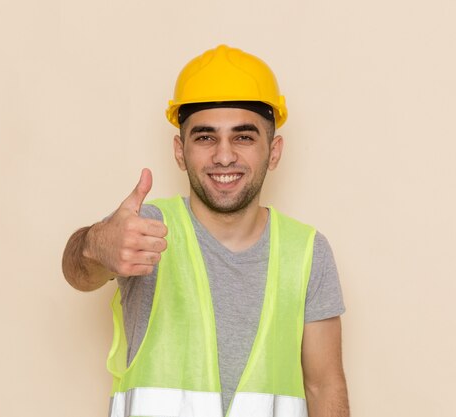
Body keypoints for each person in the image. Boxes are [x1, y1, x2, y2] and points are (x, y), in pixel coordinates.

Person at [62, 44, 349, 417]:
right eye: (205, 137)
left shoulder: (308, 251)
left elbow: (324, 385)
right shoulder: (145, 229)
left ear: (274, 151)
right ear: (180, 152)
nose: (224, 156)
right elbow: (77, 272)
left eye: (244, 137)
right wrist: (97, 246)